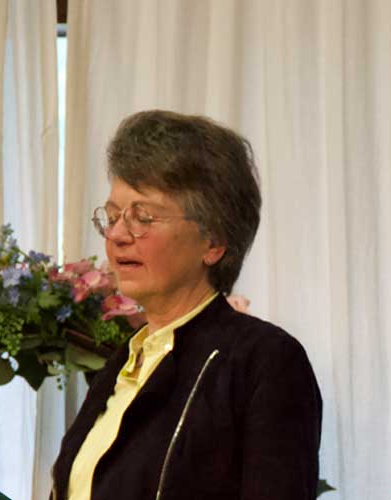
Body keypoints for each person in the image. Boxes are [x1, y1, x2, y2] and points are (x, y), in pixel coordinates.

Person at [52, 110, 322, 499]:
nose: (117, 235)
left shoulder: (263, 361)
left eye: (143, 217)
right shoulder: (123, 362)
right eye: (112, 217)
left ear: (214, 242)